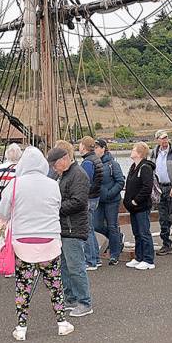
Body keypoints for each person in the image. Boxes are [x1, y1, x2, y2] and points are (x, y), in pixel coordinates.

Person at [0, 146, 74, 341]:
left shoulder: (13, 185)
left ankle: (21, 328)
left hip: (23, 243)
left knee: (23, 285)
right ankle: (62, 323)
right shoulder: (52, 184)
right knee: (55, 284)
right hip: (50, 241)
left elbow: (3, 212)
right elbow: (56, 206)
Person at [48, 146, 93, 317]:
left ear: (64, 160)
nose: (54, 168)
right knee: (65, 267)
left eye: (55, 165)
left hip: (73, 227)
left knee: (76, 266)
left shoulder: (78, 174)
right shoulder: (65, 175)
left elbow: (79, 202)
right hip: (65, 227)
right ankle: (71, 298)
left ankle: (84, 302)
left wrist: (55, 208)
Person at [123, 142, 156, 270]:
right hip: (133, 207)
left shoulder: (145, 168)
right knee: (137, 233)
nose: (131, 151)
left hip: (141, 206)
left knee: (144, 232)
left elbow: (147, 187)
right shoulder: (133, 167)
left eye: (133, 149)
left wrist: (136, 201)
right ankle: (139, 257)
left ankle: (148, 259)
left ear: (140, 153)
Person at [92, 139, 125, 265]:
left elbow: (120, 181)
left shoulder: (113, 164)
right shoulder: (94, 163)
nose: (94, 150)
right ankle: (117, 238)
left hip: (112, 200)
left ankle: (114, 254)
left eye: (96, 147)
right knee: (96, 225)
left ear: (103, 148)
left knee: (112, 226)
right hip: (99, 200)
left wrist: (110, 193)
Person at [78, 136, 103, 270]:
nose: (79, 147)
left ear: (84, 146)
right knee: (90, 229)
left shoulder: (87, 162)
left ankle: (90, 260)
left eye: (80, 145)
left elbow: (84, 181)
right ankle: (96, 258)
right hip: (95, 197)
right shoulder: (96, 159)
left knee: (86, 230)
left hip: (88, 198)